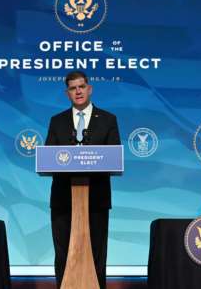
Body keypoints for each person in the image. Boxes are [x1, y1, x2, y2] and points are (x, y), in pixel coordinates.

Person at [45, 71, 121, 289]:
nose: (78, 91)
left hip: (96, 198)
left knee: (96, 252)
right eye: (72, 88)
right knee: (63, 253)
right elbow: (49, 157)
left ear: (89, 89)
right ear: (67, 93)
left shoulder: (108, 119)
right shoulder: (57, 121)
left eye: (81, 87)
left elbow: (114, 156)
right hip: (63, 199)